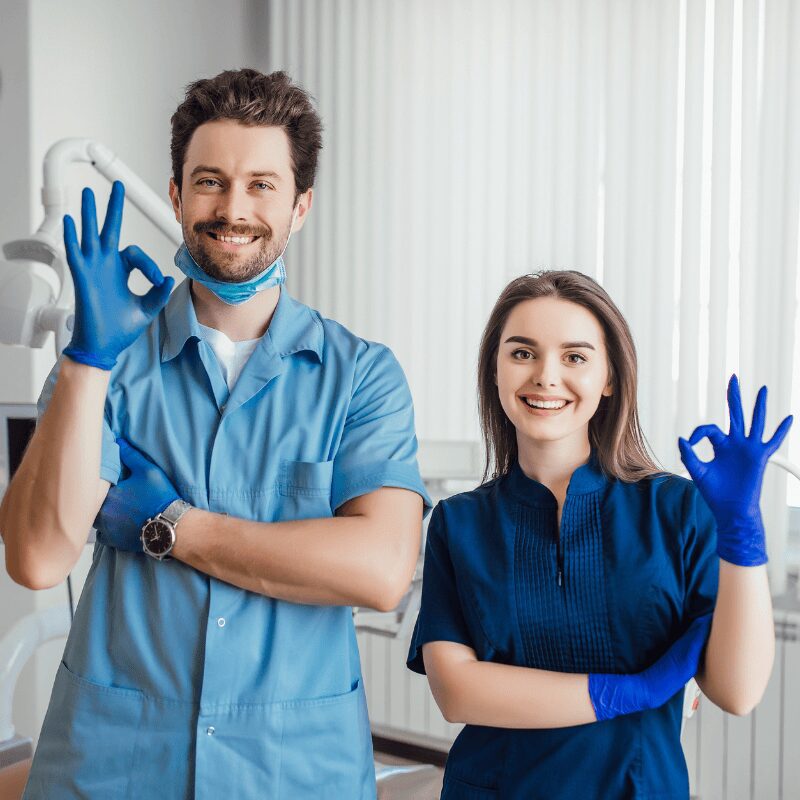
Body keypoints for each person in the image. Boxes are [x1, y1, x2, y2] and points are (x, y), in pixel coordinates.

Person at [0, 69, 430, 799]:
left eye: (262, 184)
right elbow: (39, 558)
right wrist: (86, 360)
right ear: (175, 195)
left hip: (292, 770)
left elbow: (380, 571)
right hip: (116, 767)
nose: (233, 208)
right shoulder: (110, 366)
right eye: (210, 181)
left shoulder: (362, 377)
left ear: (301, 206)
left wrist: (172, 526)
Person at [407, 270, 790, 799]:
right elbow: (456, 691)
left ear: (608, 377)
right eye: (522, 353)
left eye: (575, 357)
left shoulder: (676, 510)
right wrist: (630, 692)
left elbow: (738, 691)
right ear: (494, 371)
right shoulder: (459, 522)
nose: (546, 376)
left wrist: (743, 534)